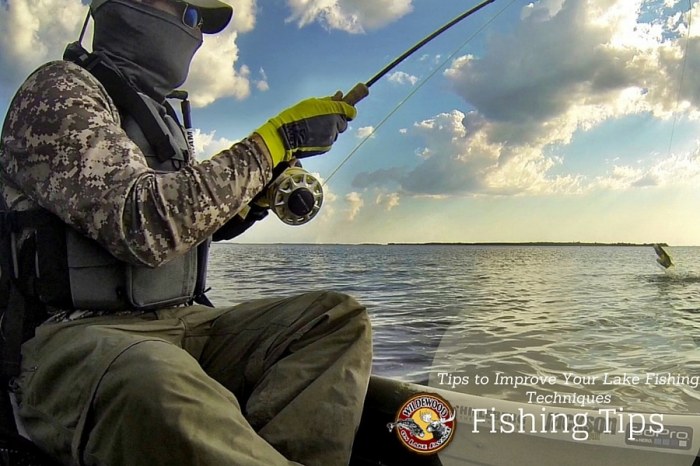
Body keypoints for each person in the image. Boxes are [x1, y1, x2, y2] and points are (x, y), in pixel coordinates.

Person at [0, 0, 372, 465]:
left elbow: (189, 227)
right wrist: (277, 141)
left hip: (179, 323)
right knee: (153, 377)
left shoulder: (163, 118)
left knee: (335, 318)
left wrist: (250, 202)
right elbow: (144, 223)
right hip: (75, 338)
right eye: (190, 16)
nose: (195, 32)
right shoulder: (56, 91)